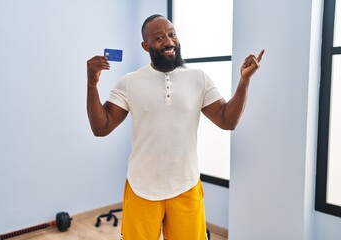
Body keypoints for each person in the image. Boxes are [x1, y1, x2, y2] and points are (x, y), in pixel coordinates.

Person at [87, 14, 264, 240]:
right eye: (159, 37)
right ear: (145, 45)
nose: (169, 41)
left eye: (172, 34)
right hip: (142, 188)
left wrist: (244, 81)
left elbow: (227, 120)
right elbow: (101, 127)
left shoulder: (198, 78)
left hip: (186, 186)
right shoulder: (130, 82)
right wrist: (92, 84)